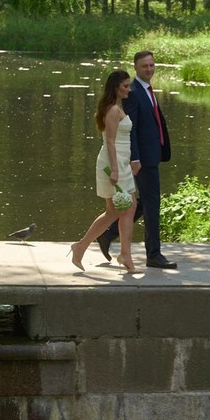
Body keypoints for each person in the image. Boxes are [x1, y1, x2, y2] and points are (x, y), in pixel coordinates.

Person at [98, 50, 176, 270]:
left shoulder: (147, 90)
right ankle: (154, 254)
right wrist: (136, 158)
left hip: (152, 156)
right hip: (141, 159)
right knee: (151, 204)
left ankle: (108, 234)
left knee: (140, 204)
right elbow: (130, 129)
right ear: (136, 68)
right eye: (145, 66)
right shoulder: (133, 92)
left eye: (152, 65)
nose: (149, 69)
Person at [71, 70, 139, 275]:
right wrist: (116, 169)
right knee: (117, 211)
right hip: (112, 164)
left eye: (129, 85)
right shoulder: (112, 110)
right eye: (125, 86)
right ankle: (82, 246)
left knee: (127, 208)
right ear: (116, 87)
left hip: (122, 163)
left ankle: (123, 254)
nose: (129, 89)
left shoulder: (118, 107)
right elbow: (109, 141)